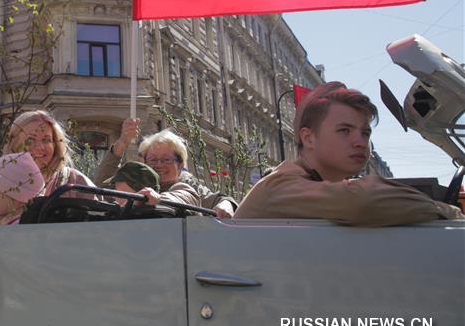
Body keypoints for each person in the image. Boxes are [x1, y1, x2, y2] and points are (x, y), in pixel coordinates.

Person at [235, 82, 464, 225]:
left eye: (365, 133)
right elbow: (362, 201)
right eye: (344, 130)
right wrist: (446, 211)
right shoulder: (279, 186)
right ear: (308, 138)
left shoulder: (308, 181)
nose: (360, 142)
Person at [0, 110, 95, 224]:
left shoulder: (74, 181)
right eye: (31, 139)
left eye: (46, 140)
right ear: (14, 143)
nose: (40, 147)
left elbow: (103, 219)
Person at [94, 119, 226, 214]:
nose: (159, 165)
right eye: (153, 160)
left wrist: (226, 206)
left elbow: (212, 199)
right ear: (145, 163)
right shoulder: (137, 181)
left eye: (166, 159)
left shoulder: (187, 184)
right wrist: (122, 143)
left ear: (180, 164)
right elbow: (99, 188)